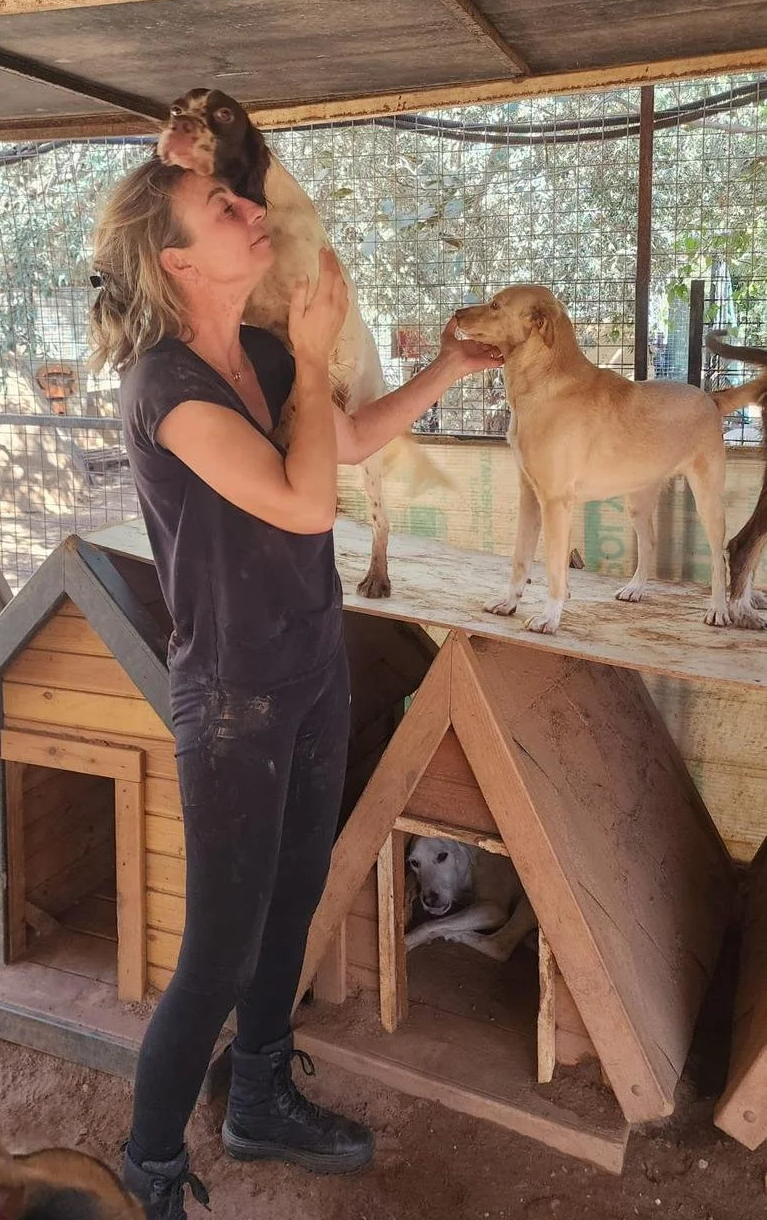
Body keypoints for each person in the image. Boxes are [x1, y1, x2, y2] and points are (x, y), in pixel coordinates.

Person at [88, 156, 503, 1219]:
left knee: (295, 897)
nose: (248, 207)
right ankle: (149, 1173)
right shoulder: (166, 389)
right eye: (221, 207)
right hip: (234, 697)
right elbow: (306, 502)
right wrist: (317, 359)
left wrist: (450, 368)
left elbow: (345, 441)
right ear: (178, 261)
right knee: (218, 951)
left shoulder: (264, 354)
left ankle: (260, 1095)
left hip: (313, 663)